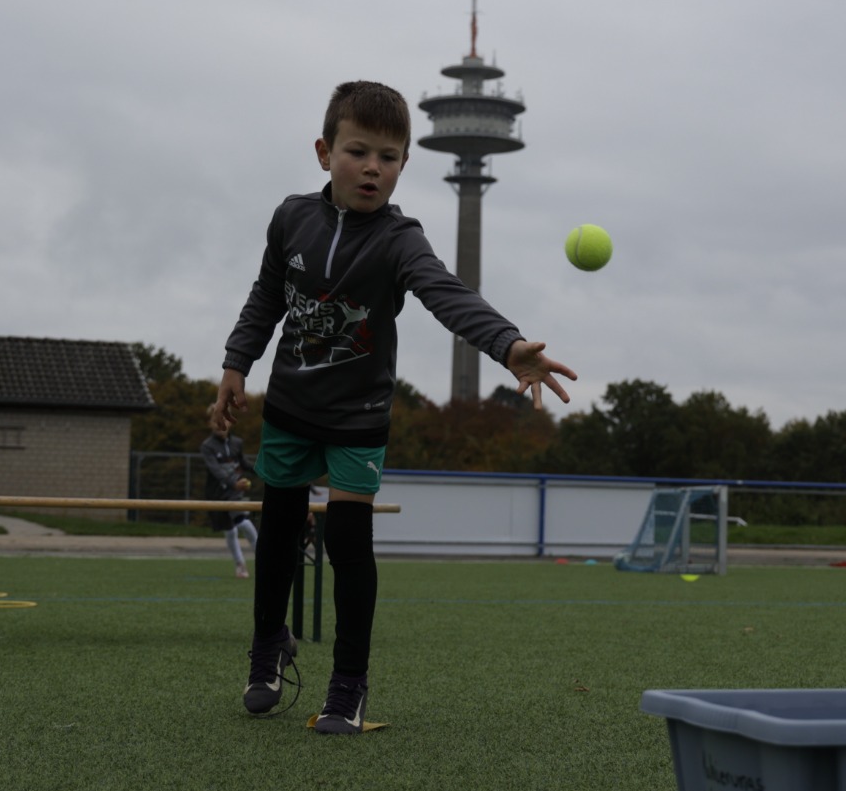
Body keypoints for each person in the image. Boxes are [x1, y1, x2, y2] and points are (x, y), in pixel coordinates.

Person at [210, 80, 575, 733]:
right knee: (280, 533)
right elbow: (266, 295)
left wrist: (507, 344)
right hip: (291, 405)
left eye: (389, 156)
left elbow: (446, 293)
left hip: (359, 415)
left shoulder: (400, 239)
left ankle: (348, 684)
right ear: (325, 153)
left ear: (404, 163)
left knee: (348, 540)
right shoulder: (291, 218)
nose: (372, 167)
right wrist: (237, 363)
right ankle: (268, 646)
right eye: (358, 152)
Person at [200, 417, 259, 579]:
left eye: (224, 420)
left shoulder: (237, 443)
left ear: (231, 422)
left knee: (245, 524)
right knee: (230, 530)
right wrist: (234, 483)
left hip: (234, 494)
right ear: (209, 423)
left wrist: (263, 470)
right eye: (215, 421)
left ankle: (265, 561)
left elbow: (244, 463)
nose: (220, 424)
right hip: (217, 494)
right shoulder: (207, 446)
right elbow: (216, 470)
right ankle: (240, 564)